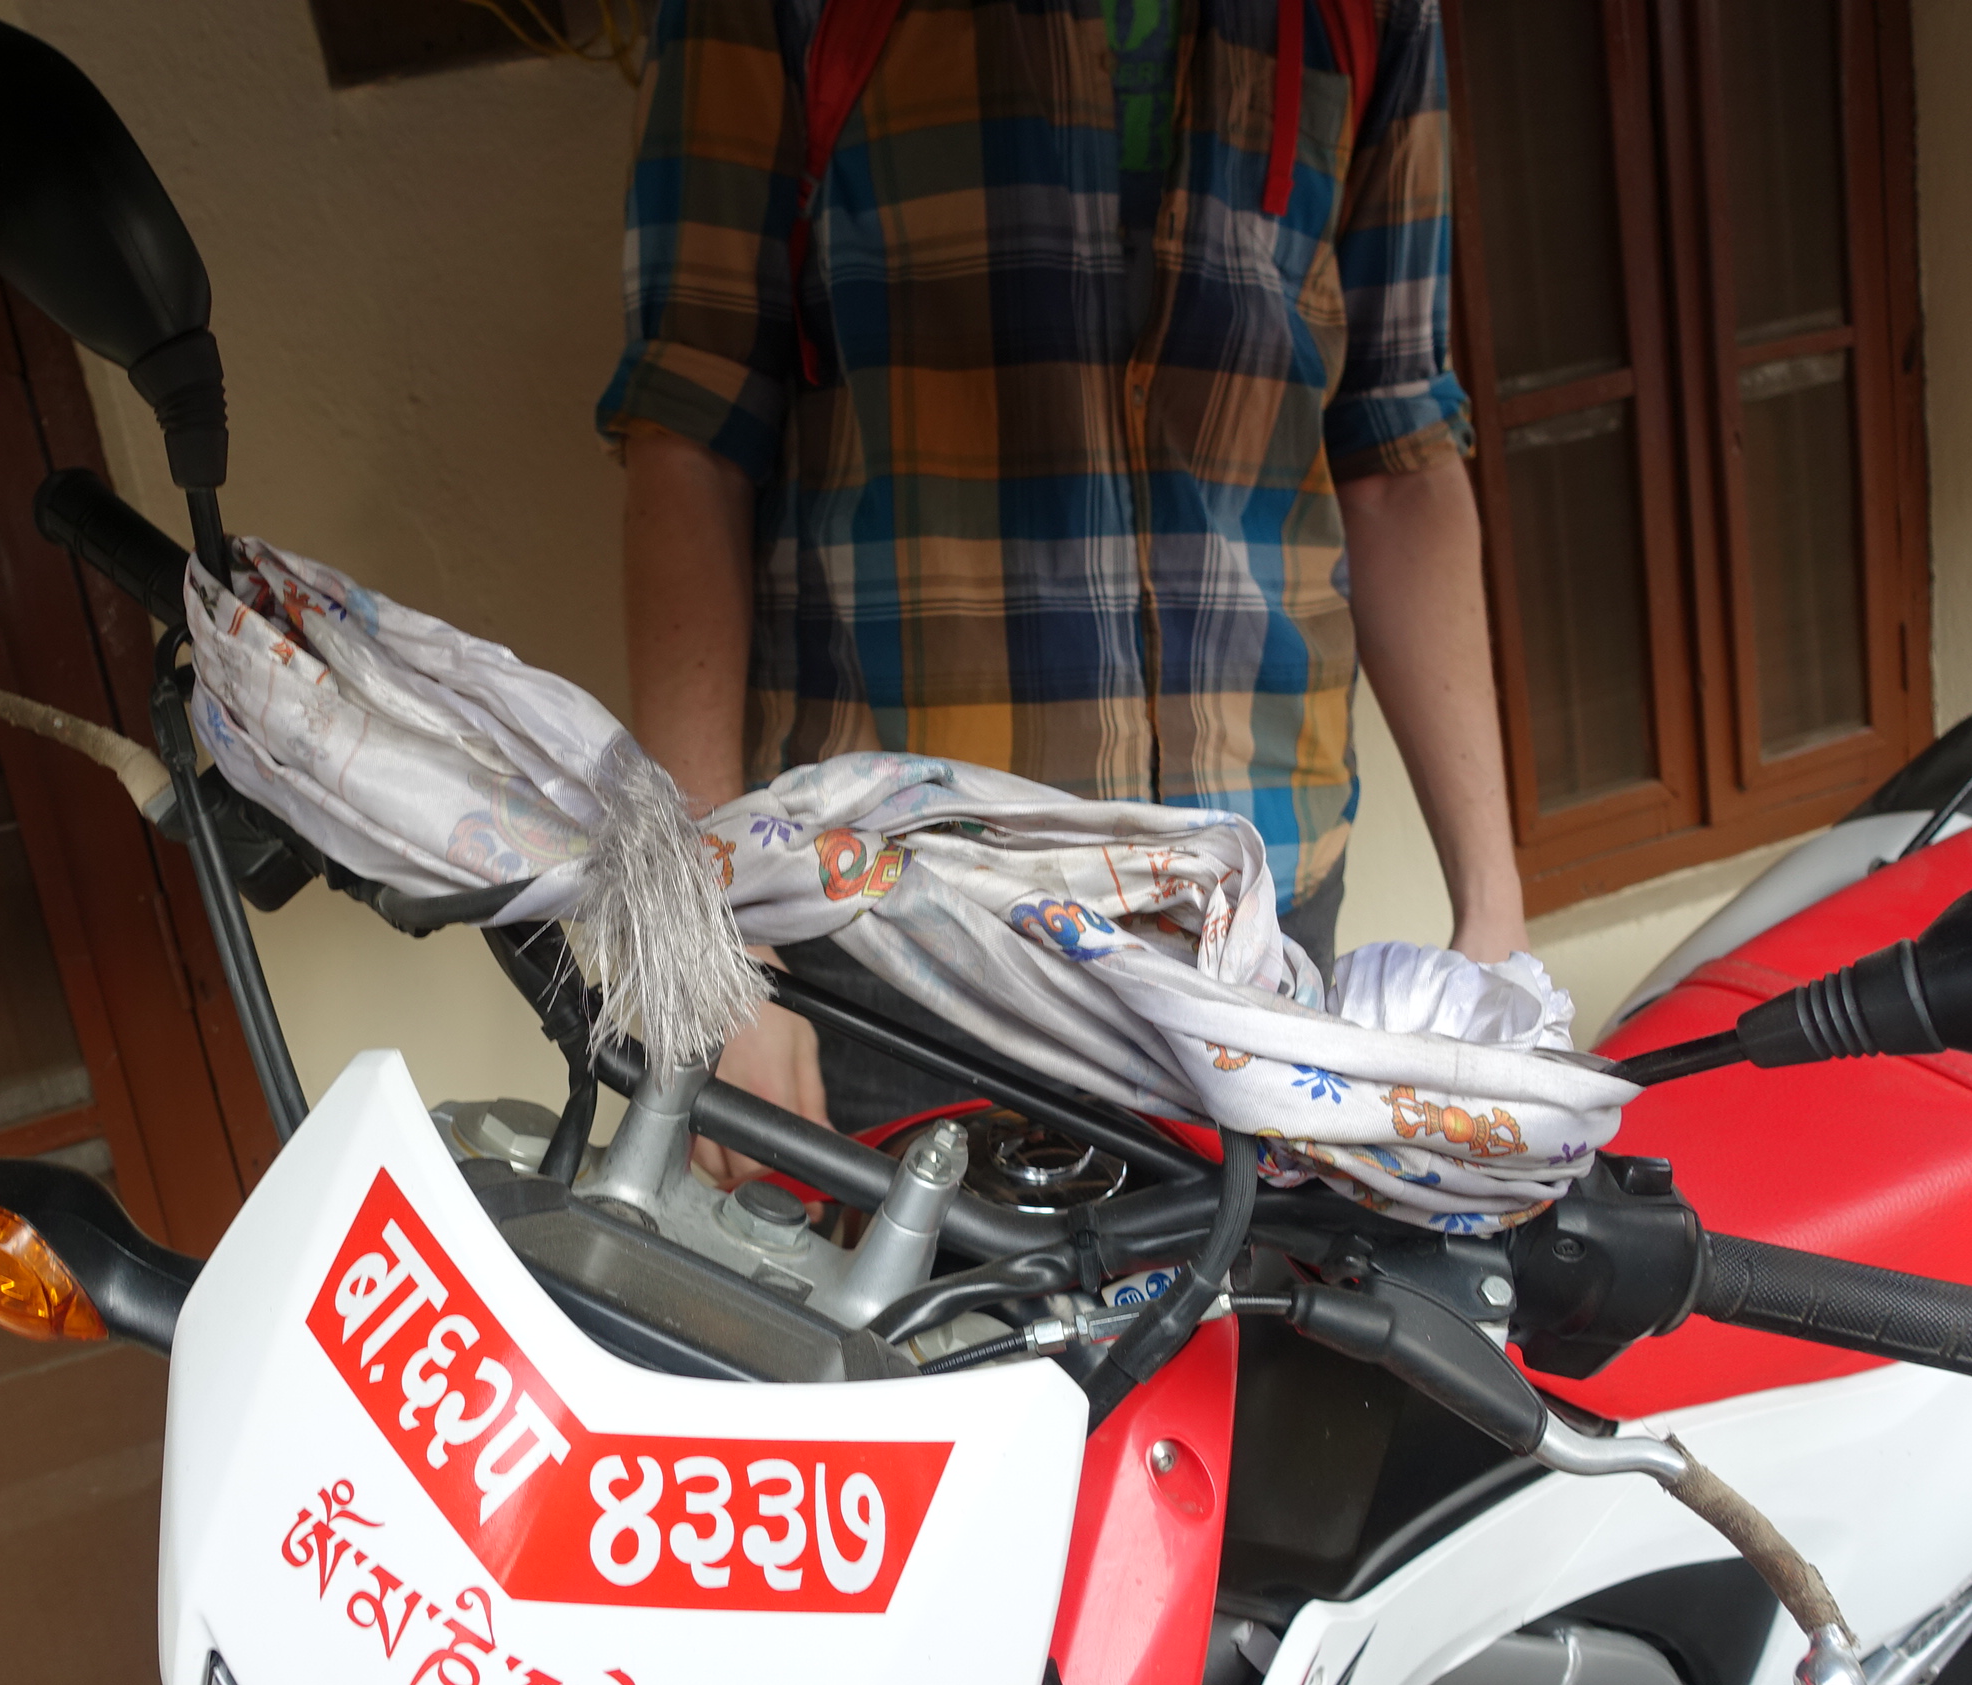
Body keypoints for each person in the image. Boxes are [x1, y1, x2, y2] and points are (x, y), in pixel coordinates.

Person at [597, 0, 1525, 1168]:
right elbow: (693, 425)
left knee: (1251, 1290)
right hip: (902, 932)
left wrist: (1494, 919)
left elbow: (1397, 446)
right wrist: (708, 933)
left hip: (1262, 922)